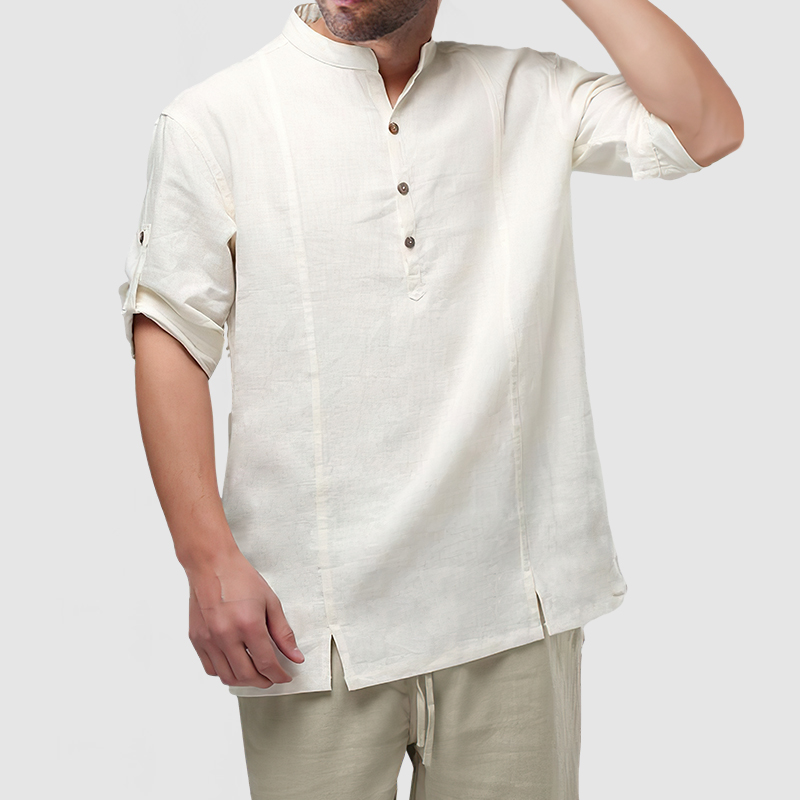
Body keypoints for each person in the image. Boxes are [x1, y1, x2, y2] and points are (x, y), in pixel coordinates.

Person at [118, 1, 743, 797]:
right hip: (308, 623)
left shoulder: (523, 92)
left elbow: (706, 128)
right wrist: (206, 560)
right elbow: (171, 334)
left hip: (514, 608)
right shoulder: (216, 119)